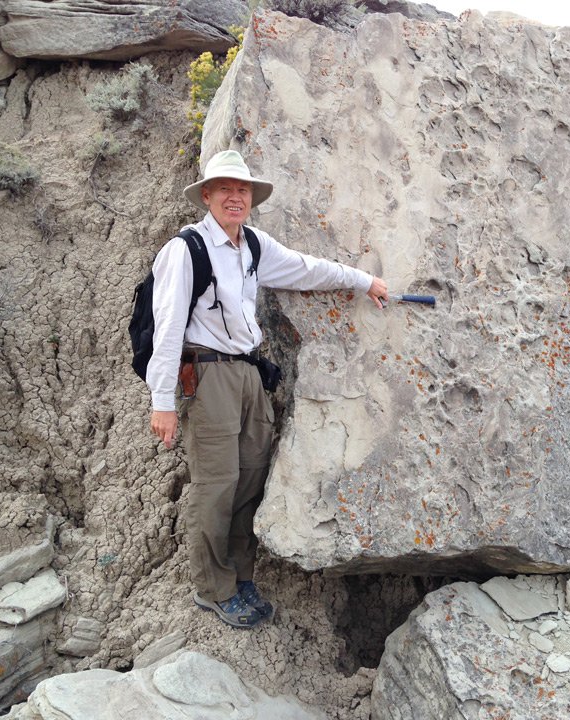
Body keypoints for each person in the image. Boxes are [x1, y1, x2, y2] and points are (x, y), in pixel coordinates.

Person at [147, 150, 388, 627]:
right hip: (207, 374)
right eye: (225, 189)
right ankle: (213, 589)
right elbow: (168, 327)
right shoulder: (187, 249)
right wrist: (163, 402)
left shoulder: (253, 245)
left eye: (243, 190)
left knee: (251, 476)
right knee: (215, 485)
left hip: (248, 373)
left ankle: (239, 576)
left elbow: (307, 269)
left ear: (251, 198)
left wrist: (364, 281)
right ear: (208, 196)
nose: (235, 197)